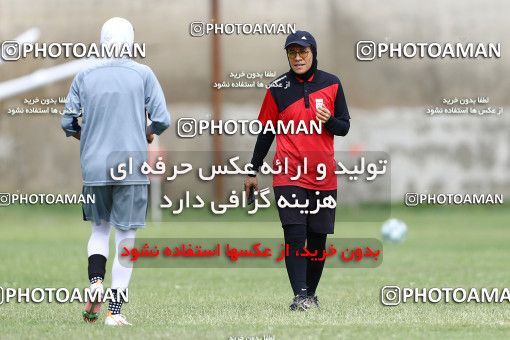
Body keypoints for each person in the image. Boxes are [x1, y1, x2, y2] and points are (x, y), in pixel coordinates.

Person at [61, 17, 170, 325]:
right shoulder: (143, 74)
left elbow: (67, 123)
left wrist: (88, 138)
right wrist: (146, 132)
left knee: (99, 229)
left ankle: (95, 281)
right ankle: (114, 311)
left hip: (94, 167)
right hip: (132, 167)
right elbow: (162, 119)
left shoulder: (84, 75)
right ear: (131, 42)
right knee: (126, 235)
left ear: (101, 41)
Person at [244, 30, 350, 311]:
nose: (298, 57)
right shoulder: (277, 89)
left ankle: (311, 295)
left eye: (303, 52)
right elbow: (265, 133)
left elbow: (344, 127)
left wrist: (329, 121)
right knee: (294, 234)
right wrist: (252, 171)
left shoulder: (332, 84)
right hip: (288, 174)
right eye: (292, 52)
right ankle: (300, 296)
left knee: (317, 239)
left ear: (313, 53)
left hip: (323, 176)